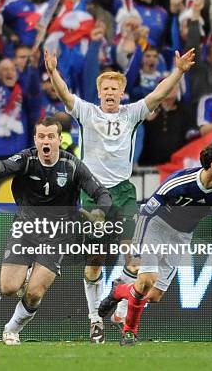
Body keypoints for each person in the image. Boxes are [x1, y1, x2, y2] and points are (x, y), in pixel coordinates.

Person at [44, 46, 196, 342]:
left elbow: (159, 95)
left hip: (124, 192)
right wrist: (53, 72)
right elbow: (64, 95)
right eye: (106, 88)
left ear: (122, 92)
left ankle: (120, 301)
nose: (110, 92)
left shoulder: (132, 114)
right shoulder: (87, 113)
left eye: (115, 88)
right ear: (99, 92)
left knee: (135, 257)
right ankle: (94, 320)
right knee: (95, 259)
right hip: (93, 193)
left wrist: (178, 71)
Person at [0, 116, 112, 345]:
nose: (45, 141)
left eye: (50, 136)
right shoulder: (26, 159)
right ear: (35, 139)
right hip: (26, 228)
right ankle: (26, 273)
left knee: (35, 292)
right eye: (41, 137)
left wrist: (100, 212)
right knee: (8, 288)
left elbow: (102, 193)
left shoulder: (72, 165)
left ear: (59, 139)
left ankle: (11, 329)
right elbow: (5, 166)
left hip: (58, 234)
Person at [99, 142, 212, 345]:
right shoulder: (178, 183)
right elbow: (146, 214)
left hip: (181, 237)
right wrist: (137, 250)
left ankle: (119, 291)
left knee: (154, 295)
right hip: (156, 226)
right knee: (146, 280)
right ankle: (130, 332)